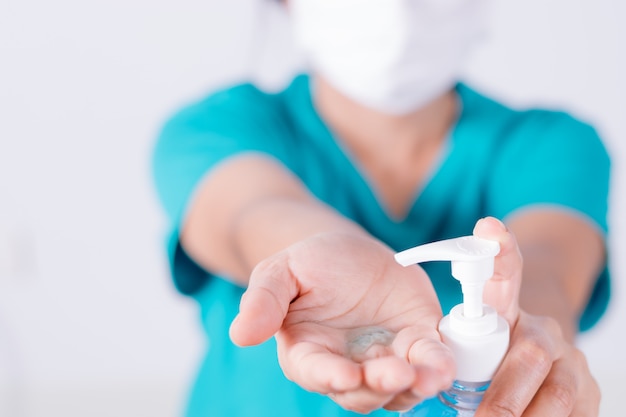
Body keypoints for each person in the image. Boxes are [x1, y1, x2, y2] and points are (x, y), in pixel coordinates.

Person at [151, 0, 611, 416]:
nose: (396, 10)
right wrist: (322, 253)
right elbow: (253, 213)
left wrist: (528, 346)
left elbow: (549, 270)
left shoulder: (553, 146)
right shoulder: (217, 128)